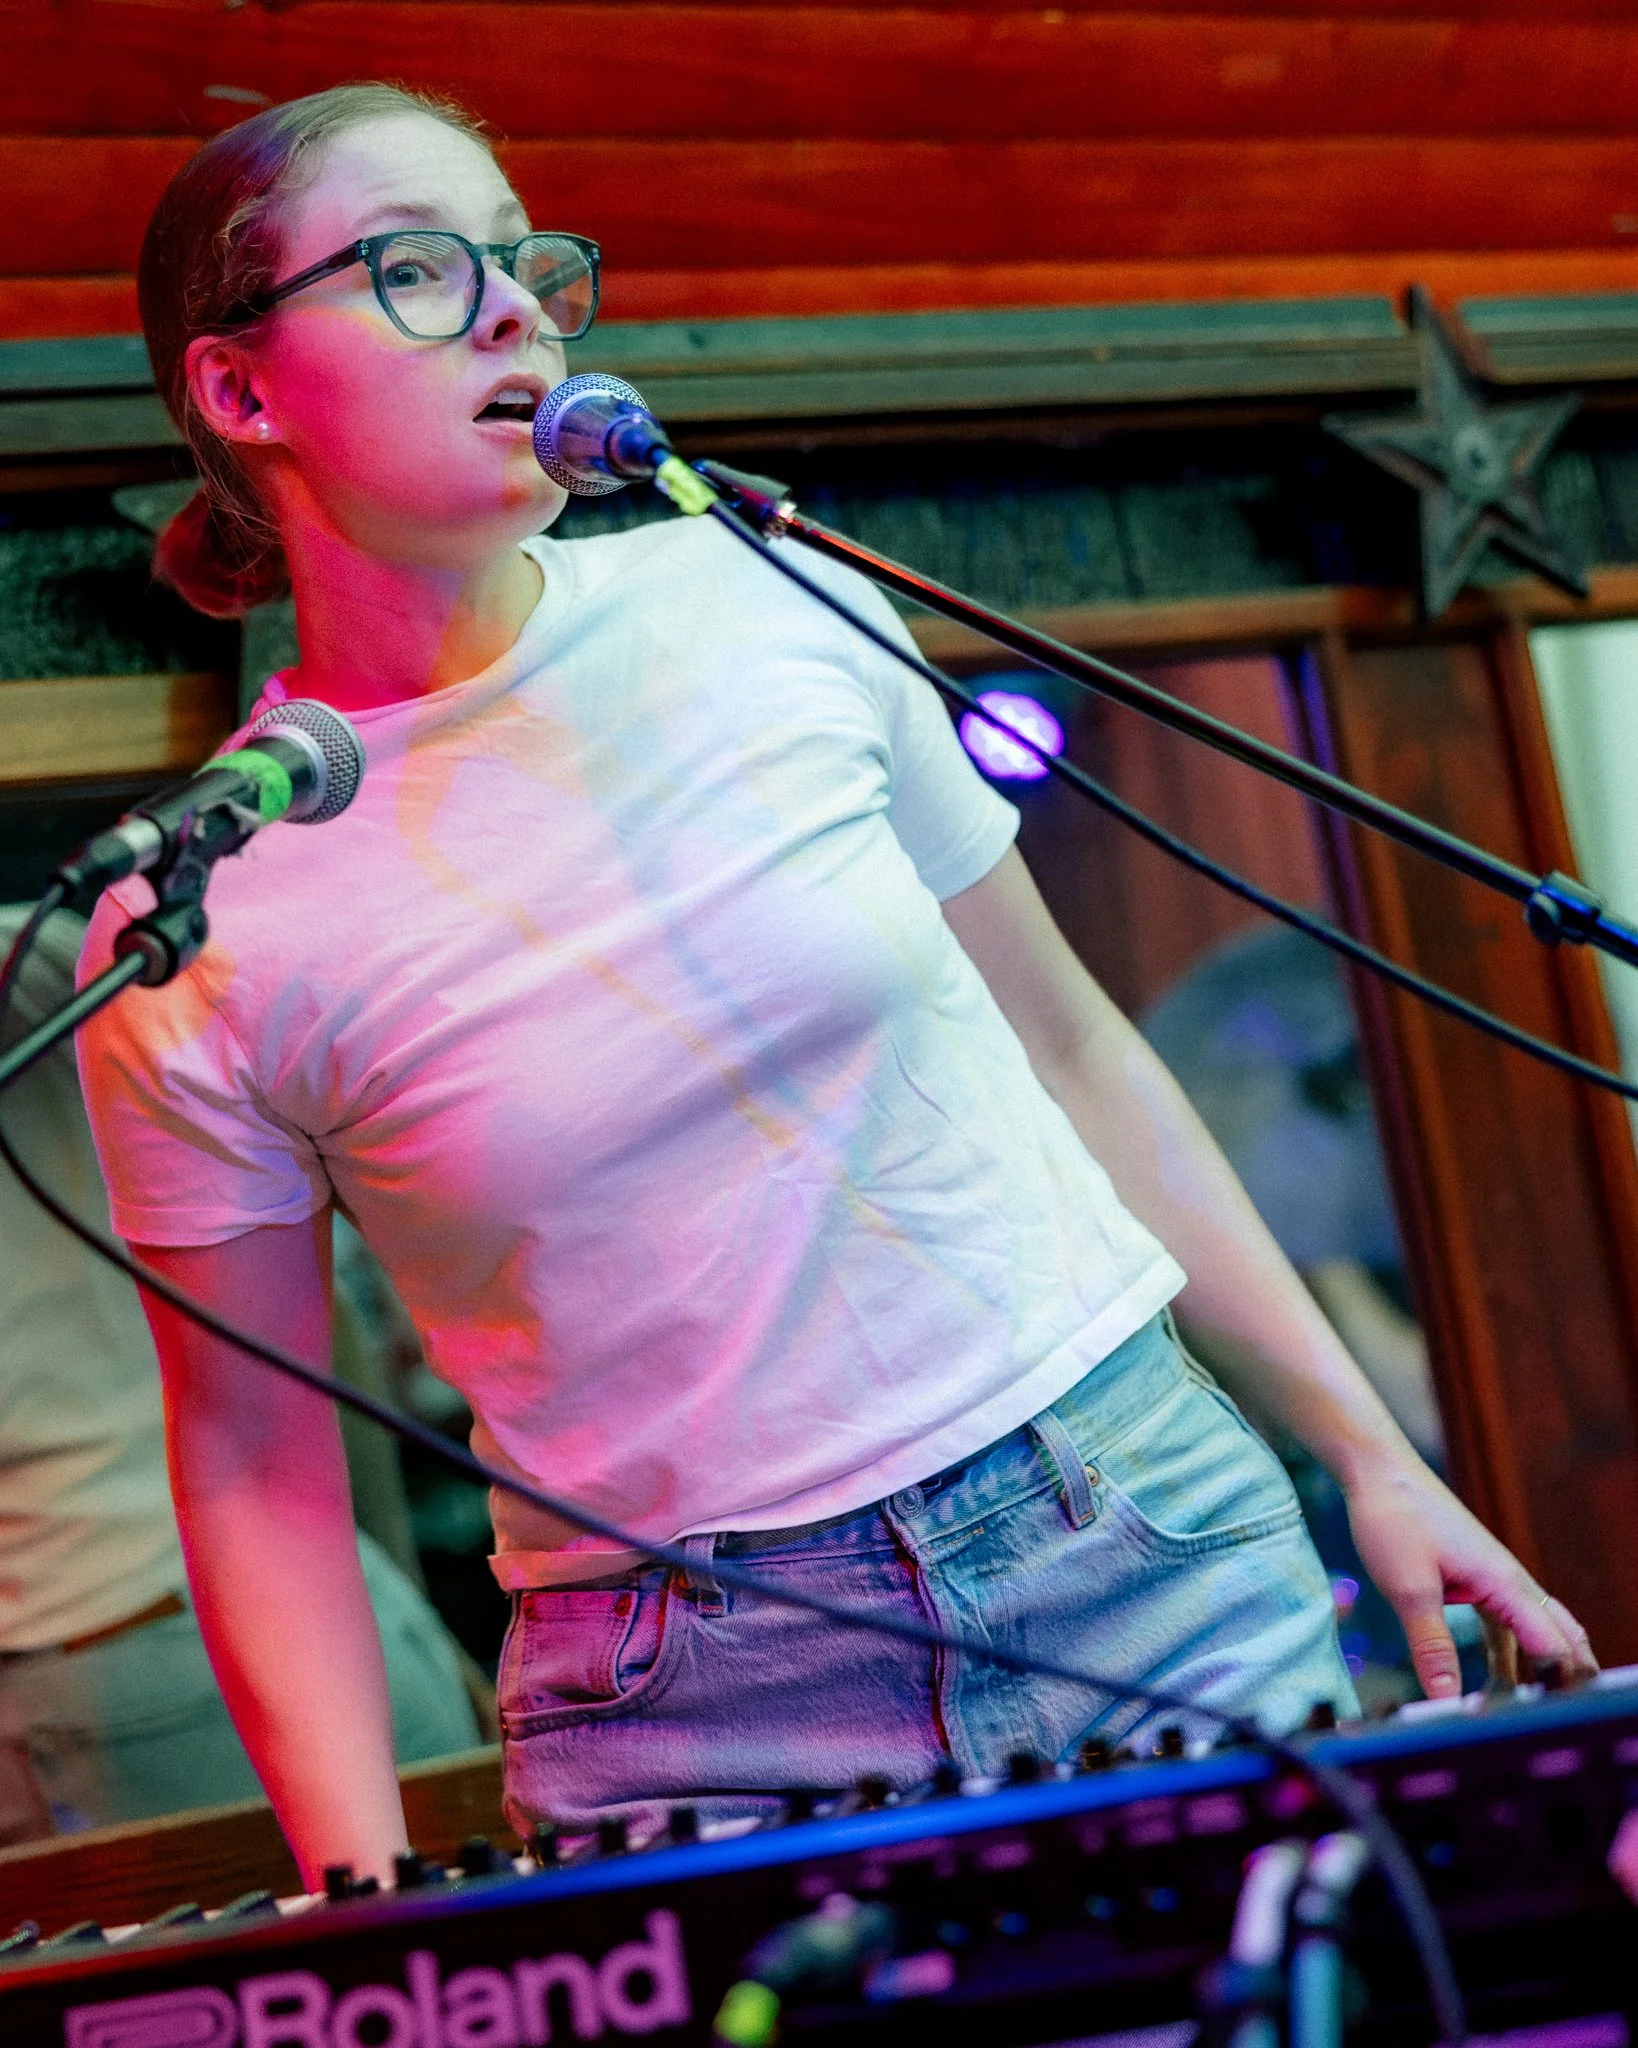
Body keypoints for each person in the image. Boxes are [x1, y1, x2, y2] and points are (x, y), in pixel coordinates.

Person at [73, 83, 1594, 1890]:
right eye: (416, 269)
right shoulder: (204, 910)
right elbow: (252, 1461)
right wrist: (358, 1913)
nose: (512, 309)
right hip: (696, 1691)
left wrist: (1367, 1449)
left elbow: (1073, 1049)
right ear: (239, 391)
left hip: (1128, 1523)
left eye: (527, 263)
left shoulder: (761, 597)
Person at [0, 903, 481, 1847]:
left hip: (136, 1646)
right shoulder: (87, 938)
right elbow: (314, 1328)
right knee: (456, 1964)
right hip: (269, 1603)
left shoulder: (81, 943)